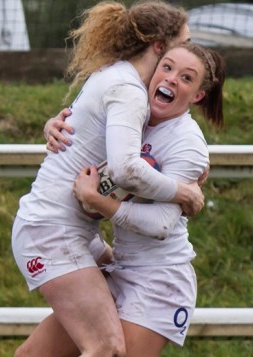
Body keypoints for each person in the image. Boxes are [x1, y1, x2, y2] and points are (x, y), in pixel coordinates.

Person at [11, 2, 199, 356]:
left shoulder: (120, 78)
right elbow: (127, 168)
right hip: (52, 230)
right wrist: (183, 192)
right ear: (159, 46)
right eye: (183, 42)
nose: (190, 51)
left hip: (67, 231)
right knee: (106, 347)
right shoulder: (127, 89)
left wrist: (52, 125)